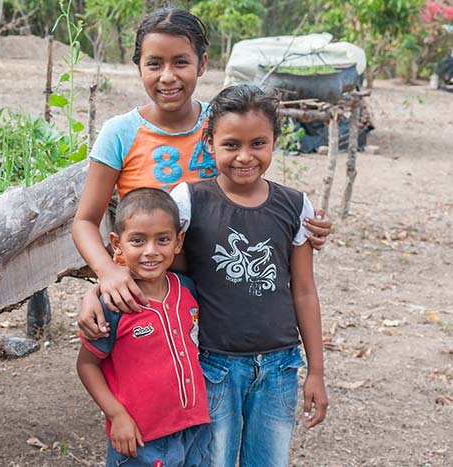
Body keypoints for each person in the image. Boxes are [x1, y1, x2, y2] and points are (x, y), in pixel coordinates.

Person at [72, 7, 332, 333]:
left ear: (202, 64)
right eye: (155, 63)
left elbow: (249, 186)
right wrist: (107, 274)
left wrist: (304, 222)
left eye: (181, 62)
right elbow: (85, 221)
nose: (168, 76)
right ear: (138, 66)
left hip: (215, 289)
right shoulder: (120, 133)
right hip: (148, 286)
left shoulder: (226, 120)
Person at [167, 83, 328, 465]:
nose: (244, 156)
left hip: (280, 367)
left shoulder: (295, 204)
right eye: (231, 144)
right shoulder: (189, 201)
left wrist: (316, 371)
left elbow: (303, 290)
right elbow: (163, 271)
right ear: (209, 143)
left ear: (274, 142)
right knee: (212, 460)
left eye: (258, 143)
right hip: (213, 365)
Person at [77, 187, 210, 467]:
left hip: (195, 430)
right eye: (137, 240)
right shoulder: (112, 304)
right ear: (117, 243)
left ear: (178, 241)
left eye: (162, 239)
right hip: (140, 440)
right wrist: (116, 415)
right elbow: (87, 365)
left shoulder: (187, 290)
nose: (151, 251)